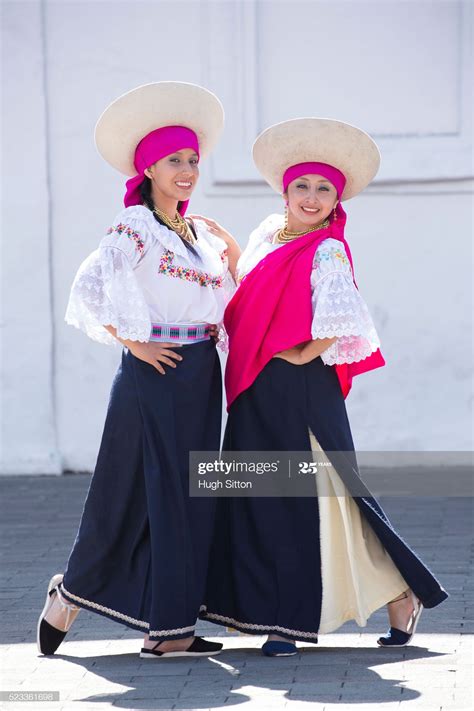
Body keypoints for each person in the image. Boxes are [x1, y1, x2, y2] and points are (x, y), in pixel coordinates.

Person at [200, 117, 448, 656]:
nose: (311, 199)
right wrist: (231, 250)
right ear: (286, 191)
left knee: (307, 499)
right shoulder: (269, 233)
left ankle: (289, 622)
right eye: (302, 187)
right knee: (260, 497)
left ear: (337, 198)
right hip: (253, 386)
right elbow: (256, 294)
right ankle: (400, 595)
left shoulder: (329, 249)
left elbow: (342, 320)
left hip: (299, 390)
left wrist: (297, 356)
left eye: (324, 190)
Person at [37, 81, 240, 659]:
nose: (186, 170)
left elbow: (226, 305)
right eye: (174, 159)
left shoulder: (198, 234)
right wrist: (134, 342)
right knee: (133, 493)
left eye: (193, 160)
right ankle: (108, 606)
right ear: (148, 166)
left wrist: (229, 254)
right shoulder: (135, 227)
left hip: (201, 373)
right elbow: (91, 284)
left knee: (191, 496)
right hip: (156, 374)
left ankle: (160, 622)